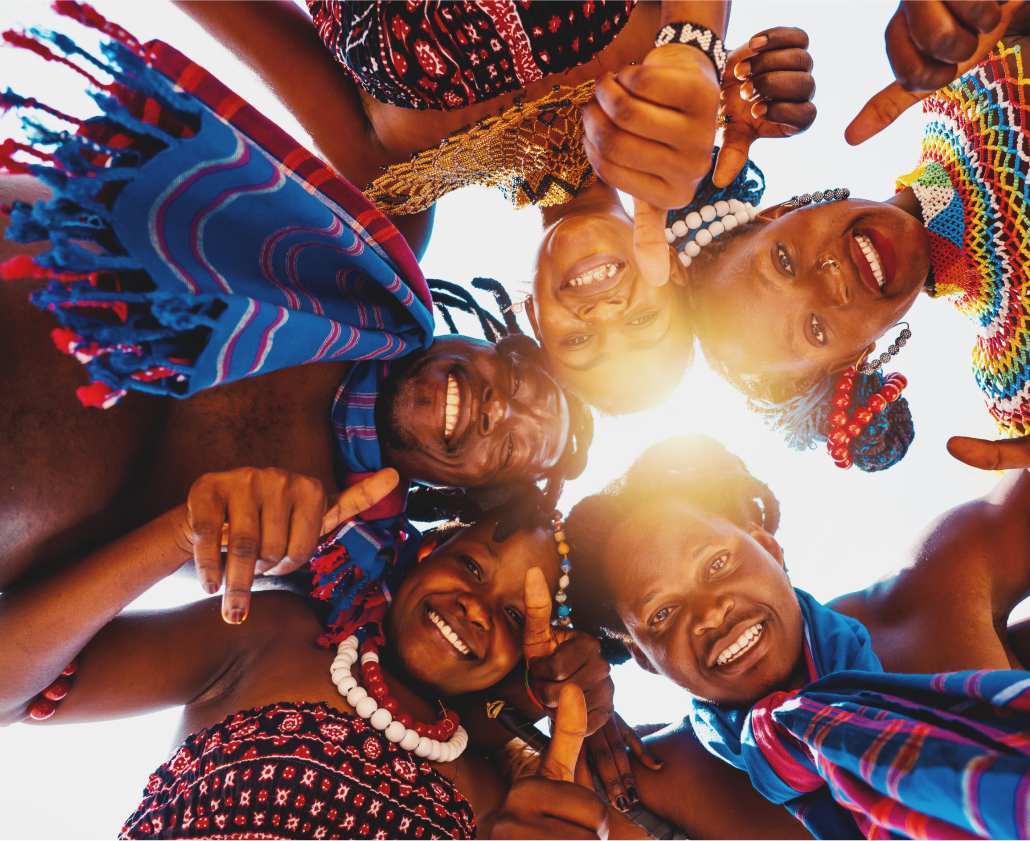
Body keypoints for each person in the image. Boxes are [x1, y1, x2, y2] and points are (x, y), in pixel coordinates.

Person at [0, 18, 590, 638]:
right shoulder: (374, 251)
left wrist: (185, 538)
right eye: (522, 381)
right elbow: (280, 41)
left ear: (467, 491)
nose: (504, 411)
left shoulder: (335, 564)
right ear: (483, 340)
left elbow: (17, 685)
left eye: (513, 449)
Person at [677, 0, 1030, 541]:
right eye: (815, 328)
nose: (828, 280)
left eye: (783, 260)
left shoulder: (970, 66)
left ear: (780, 213)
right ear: (853, 358)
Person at [162, 0, 818, 412]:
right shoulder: (673, 63)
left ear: (531, 316)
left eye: (582, 341)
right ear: (672, 270)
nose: (604, 313)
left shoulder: (393, 180)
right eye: (644, 323)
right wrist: (695, 50)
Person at [564, 434, 1030, 839]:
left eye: (718, 565)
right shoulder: (650, 778)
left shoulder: (932, 592)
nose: (709, 613)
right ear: (644, 663)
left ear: (766, 544)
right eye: (661, 616)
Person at [0, 464, 635, 840]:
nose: (477, 606)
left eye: (516, 616)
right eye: (470, 565)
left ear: (528, 656)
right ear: (419, 555)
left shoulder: (501, 802)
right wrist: (181, 533)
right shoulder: (272, 632)